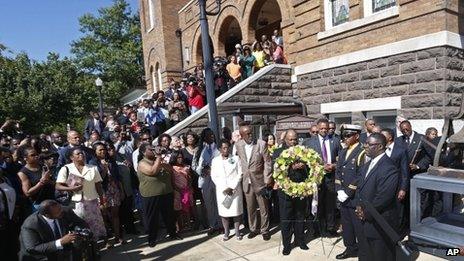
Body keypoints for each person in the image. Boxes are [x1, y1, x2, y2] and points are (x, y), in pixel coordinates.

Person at [355, 133, 399, 261]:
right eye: (365, 143)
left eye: (369, 144)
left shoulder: (389, 167)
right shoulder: (367, 165)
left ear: (380, 146)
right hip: (364, 221)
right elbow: (360, 188)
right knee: (366, 254)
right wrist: (359, 206)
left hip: (379, 222)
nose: (365, 146)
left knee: (381, 255)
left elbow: (384, 197)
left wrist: (366, 213)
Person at [55, 147, 107, 242]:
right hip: (76, 203)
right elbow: (58, 186)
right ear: (71, 157)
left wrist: (102, 201)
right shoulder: (66, 169)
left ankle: (95, 247)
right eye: (78, 154)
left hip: (92, 202)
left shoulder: (92, 168)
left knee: (95, 225)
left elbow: (98, 186)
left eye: (82, 153)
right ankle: (85, 247)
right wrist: (71, 188)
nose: (81, 155)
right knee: (81, 225)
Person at [137, 143, 181, 247]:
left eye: (153, 148)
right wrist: (158, 158)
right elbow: (152, 171)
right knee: (152, 218)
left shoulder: (158, 161)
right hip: (151, 195)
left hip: (166, 192)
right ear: (143, 152)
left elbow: (170, 169)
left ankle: (172, 233)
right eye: (150, 149)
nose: (153, 150)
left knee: (169, 216)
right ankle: (152, 239)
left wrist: (159, 160)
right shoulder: (142, 163)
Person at [273, 130, 309, 255]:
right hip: (285, 192)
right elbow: (276, 172)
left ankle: (300, 240)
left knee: (300, 216)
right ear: (285, 140)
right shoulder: (278, 152)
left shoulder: (303, 152)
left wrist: (304, 166)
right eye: (290, 139)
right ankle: (287, 245)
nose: (293, 142)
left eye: (295, 139)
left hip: (300, 189)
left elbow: (311, 167)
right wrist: (291, 167)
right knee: (286, 218)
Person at [235, 123, 272, 240]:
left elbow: (268, 162)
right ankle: (253, 229)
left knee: (263, 208)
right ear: (241, 135)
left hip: (260, 181)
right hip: (247, 181)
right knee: (250, 208)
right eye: (247, 134)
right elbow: (239, 162)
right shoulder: (238, 145)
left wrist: (267, 178)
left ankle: (264, 230)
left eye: (251, 133)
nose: (250, 135)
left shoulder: (261, 144)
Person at [303, 118, 340, 236]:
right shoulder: (309, 142)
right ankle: (317, 229)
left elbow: (341, 159)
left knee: (330, 204)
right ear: (317, 128)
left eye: (326, 128)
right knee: (317, 204)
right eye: (322, 128)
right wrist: (319, 167)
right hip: (316, 178)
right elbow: (306, 161)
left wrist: (334, 166)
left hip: (331, 178)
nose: (324, 130)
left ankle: (330, 228)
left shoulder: (335, 141)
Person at [334, 124, 366, 259]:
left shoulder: (362, 152)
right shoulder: (342, 152)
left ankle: (364, 252)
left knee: (358, 226)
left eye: (348, 136)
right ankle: (350, 248)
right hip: (343, 197)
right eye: (343, 136)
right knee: (347, 226)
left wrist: (348, 191)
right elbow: (338, 173)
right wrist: (339, 190)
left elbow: (361, 175)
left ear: (356, 136)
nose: (345, 138)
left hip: (355, 196)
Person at [18, 200, 89, 261]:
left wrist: (79, 231)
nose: (62, 212)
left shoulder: (65, 211)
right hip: (42, 256)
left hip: (63, 253)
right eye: (58, 212)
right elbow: (32, 248)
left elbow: (81, 223)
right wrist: (60, 242)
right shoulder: (30, 225)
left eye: (60, 208)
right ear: (47, 215)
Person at [89, 142, 124, 246]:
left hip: (114, 189)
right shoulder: (92, 163)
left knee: (115, 214)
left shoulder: (111, 161)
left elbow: (118, 177)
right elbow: (97, 180)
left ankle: (118, 237)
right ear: (95, 152)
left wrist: (121, 190)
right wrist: (104, 168)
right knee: (103, 216)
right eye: (100, 150)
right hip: (102, 191)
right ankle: (107, 240)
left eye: (104, 149)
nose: (103, 151)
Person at [211, 139, 244, 241]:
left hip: (234, 189)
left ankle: (237, 231)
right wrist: (224, 187)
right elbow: (214, 176)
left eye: (227, 147)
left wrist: (232, 186)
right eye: (224, 148)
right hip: (222, 190)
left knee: (236, 211)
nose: (226, 150)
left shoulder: (235, 158)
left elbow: (240, 173)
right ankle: (226, 231)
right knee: (224, 212)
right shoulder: (215, 160)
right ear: (220, 149)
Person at [380, 128, 410, 237]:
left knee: (398, 211)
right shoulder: (380, 149)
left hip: (397, 187)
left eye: (382, 135)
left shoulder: (400, 150)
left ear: (389, 137)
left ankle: (398, 234)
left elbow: (405, 171)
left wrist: (403, 189)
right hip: (383, 187)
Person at [194, 128, 221, 235]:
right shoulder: (199, 150)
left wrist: (213, 169)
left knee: (218, 202)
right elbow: (194, 165)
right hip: (205, 179)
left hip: (217, 179)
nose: (211, 137)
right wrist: (202, 171)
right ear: (204, 137)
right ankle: (213, 225)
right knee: (209, 204)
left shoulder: (218, 148)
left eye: (212, 135)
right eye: (208, 135)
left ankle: (221, 224)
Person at [17, 147, 55, 211]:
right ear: (25, 158)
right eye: (32, 155)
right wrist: (42, 182)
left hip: (52, 199)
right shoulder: (23, 173)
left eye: (37, 154)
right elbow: (27, 193)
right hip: (38, 204)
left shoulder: (43, 166)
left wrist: (48, 181)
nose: (36, 156)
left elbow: (53, 183)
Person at [170, 150, 194, 232]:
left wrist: (189, 185)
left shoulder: (185, 167)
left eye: (181, 157)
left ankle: (189, 225)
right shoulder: (172, 168)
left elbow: (189, 178)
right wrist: (178, 189)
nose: (180, 159)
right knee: (179, 210)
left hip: (186, 190)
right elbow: (172, 181)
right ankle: (180, 226)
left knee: (187, 208)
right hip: (177, 191)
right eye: (178, 157)